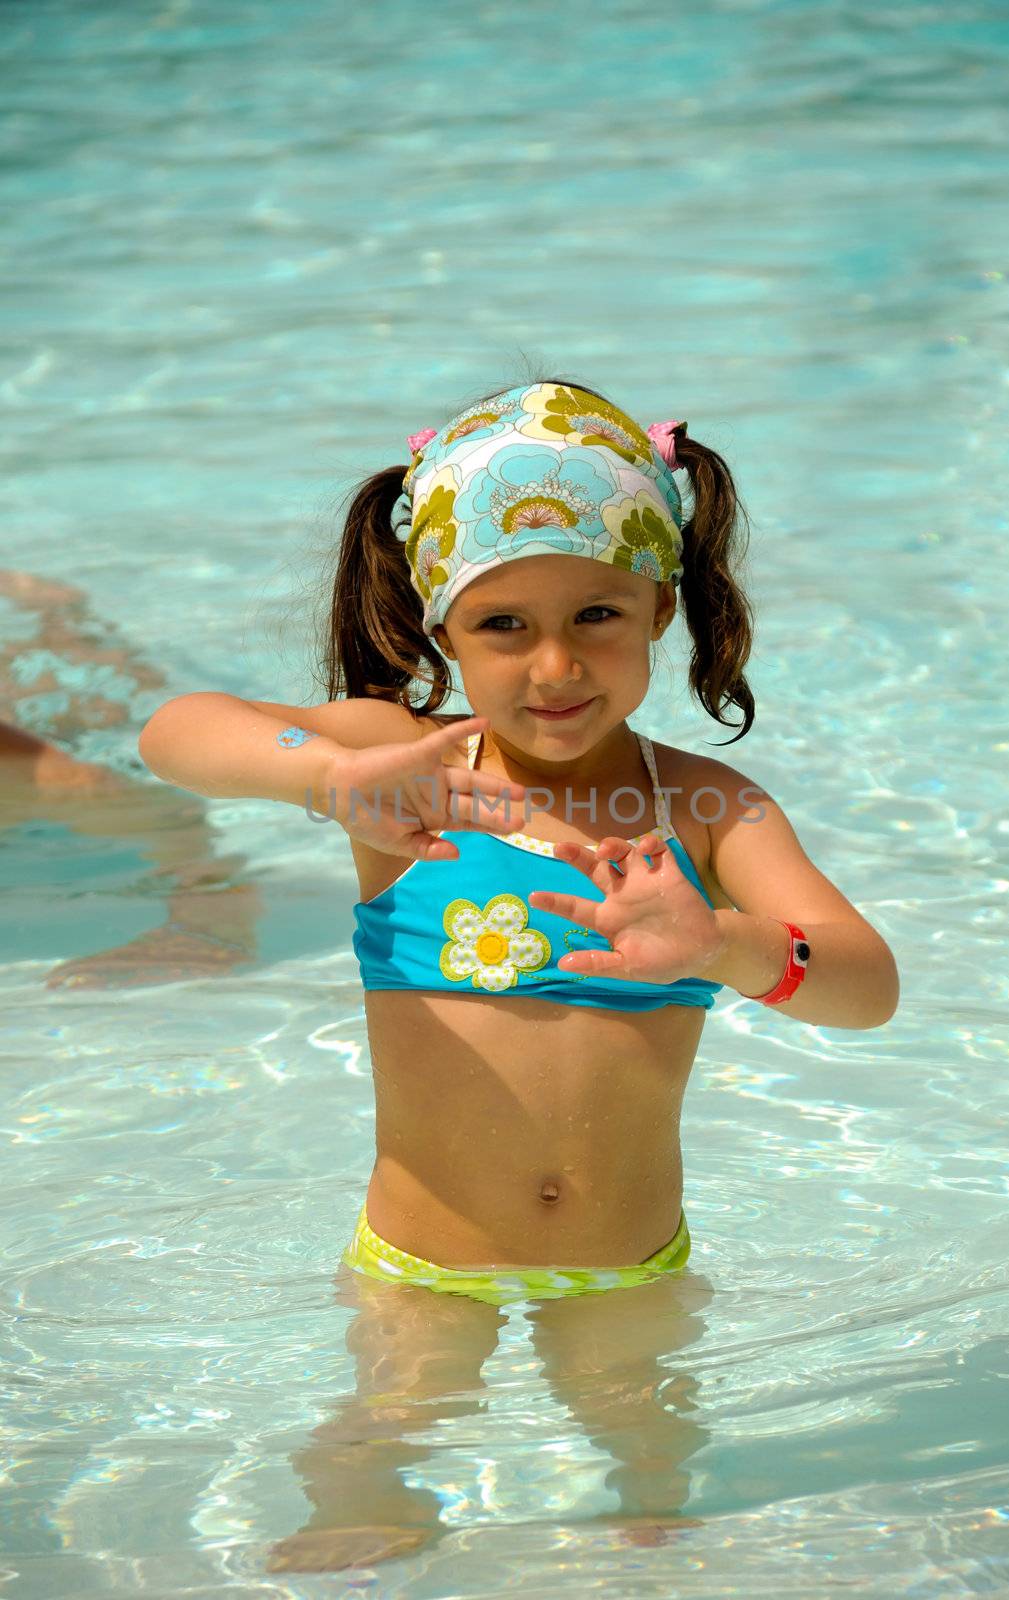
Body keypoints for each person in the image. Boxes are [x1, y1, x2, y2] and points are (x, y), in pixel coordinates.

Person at [139, 377, 900, 1568]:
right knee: (373, 1453)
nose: (555, 663)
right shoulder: (401, 767)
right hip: (422, 1264)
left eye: (598, 613)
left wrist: (726, 945)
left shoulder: (702, 809)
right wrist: (321, 777)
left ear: (662, 607)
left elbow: (866, 985)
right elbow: (177, 730)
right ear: (440, 627)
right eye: (504, 625)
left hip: (631, 1260)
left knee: (654, 1488)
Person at [0, 569, 260, 986]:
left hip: (72, 734)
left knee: (87, 691)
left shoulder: (28, 772)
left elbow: (170, 816)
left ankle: (62, 614)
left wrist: (204, 929)